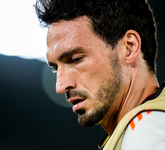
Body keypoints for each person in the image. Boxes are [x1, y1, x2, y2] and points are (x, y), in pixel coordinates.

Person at [35, 0, 165, 149]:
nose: (60, 86)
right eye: (55, 68)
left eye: (76, 59)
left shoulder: (146, 131)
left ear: (129, 48)